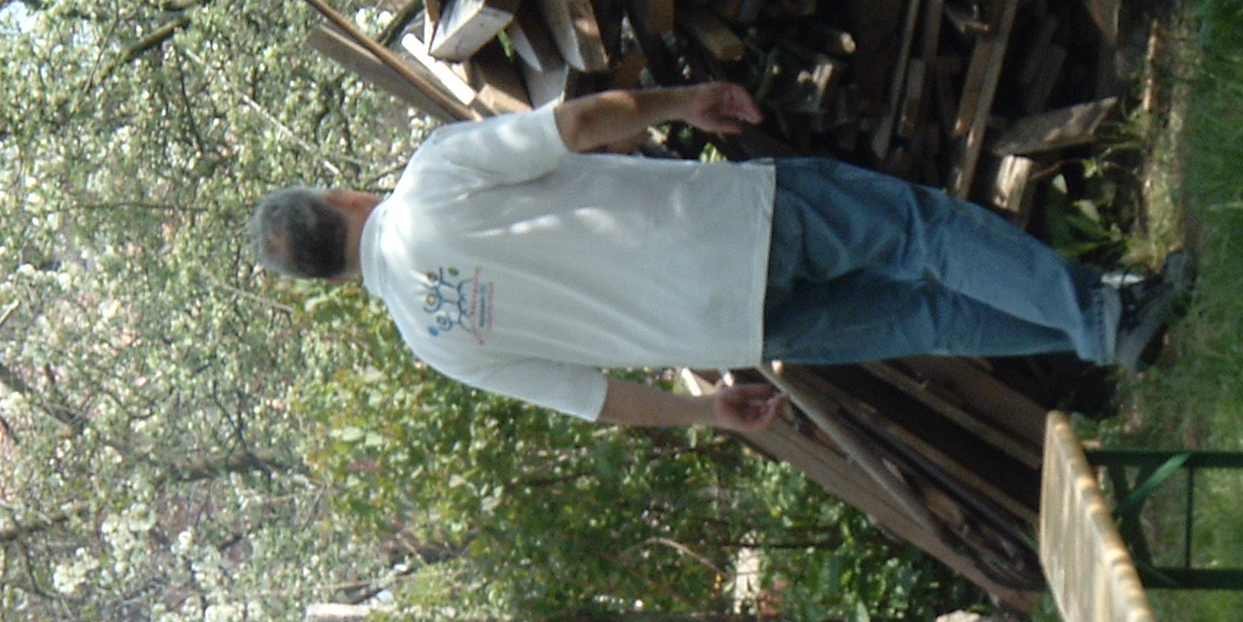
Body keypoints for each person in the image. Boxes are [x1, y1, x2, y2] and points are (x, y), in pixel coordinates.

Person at [250, 83, 1191, 432]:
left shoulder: (433, 342)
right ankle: (1108, 317)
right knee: (922, 236)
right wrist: (682, 101)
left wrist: (706, 410)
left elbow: (593, 399)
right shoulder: (428, 181)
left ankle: (1103, 319)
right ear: (340, 199)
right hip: (732, 227)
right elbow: (573, 125)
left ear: (332, 279)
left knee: (929, 315)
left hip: (731, 327)